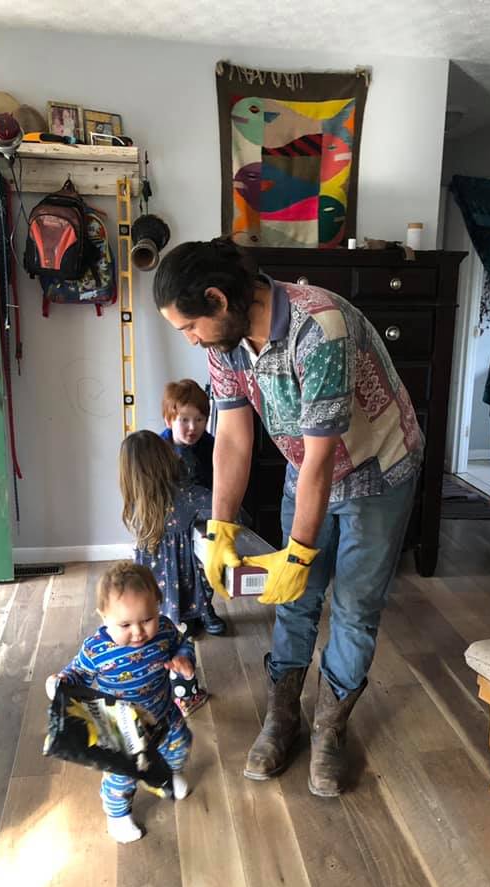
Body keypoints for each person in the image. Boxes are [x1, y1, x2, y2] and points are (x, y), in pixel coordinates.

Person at [153, 237, 423, 798]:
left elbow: (324, 455)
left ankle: (329, 729)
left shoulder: (318, 327)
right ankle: (283, 716)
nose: (190, 338)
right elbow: (233, 435)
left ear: (217, 299)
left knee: (354, 606)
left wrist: (298, 553)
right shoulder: (226, 342)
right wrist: (220, 529)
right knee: (295, 600)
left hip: (377, 470)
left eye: (189, 326)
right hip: (310, 469)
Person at [45, 562, 194, 842]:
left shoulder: (164, 630)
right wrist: (59, 683)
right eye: (125, 625)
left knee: (180, 744)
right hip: (121, 728)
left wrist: (184, 659)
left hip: (163, 713)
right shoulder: (96, 650)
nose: (138, 632)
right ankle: (117, 814)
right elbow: (76, 673)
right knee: (122, 776)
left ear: (158, 606)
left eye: (147, 619)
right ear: (104, 617)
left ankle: (166, 775)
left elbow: (182, 644)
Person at [120, 429, 227, 651]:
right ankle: (195, 616)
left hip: (159, 572)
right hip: (179, 569)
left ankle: (190, 616)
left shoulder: (136, 502)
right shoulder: (185, 495)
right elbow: (224, 509)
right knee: (204, 569)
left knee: (162, 599)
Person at [160, 378, 215, 490]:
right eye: (185, 420)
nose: (192, 427)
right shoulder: (158, 450)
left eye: (199, 419)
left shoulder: (212, 447)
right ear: (169, 421)